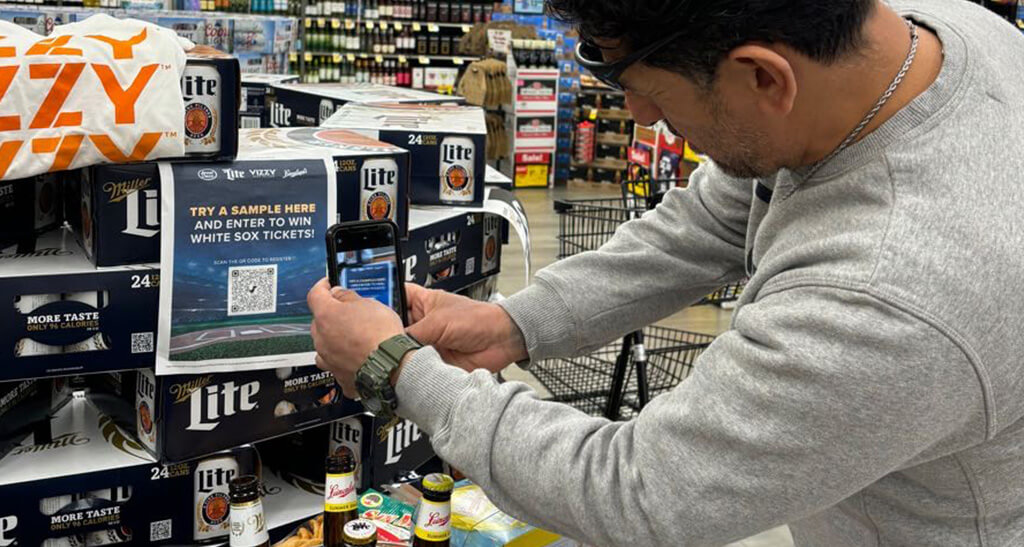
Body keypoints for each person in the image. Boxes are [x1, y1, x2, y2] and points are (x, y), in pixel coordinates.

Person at [308, 0, 1024, 544]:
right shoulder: (928, 34)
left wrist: (402, 371)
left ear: (763, 76)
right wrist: (513, 323)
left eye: (651, 91)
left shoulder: (887, 292)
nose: (639, 115)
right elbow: (712, 219)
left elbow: (639, 491)